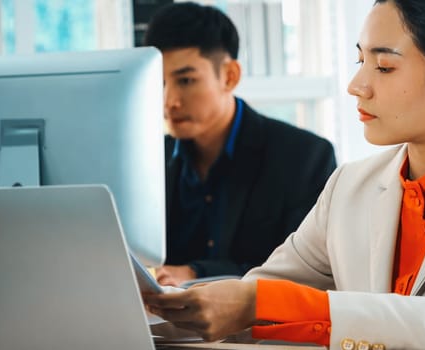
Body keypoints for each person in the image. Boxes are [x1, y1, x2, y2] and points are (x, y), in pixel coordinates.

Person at [143, 0, 425, 349]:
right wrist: (156, 309)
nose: (357, 84)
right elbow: (255, 300)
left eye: (384, 65)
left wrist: (254, 303)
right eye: (361, 60)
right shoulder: (350, 187)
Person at [143, 2, 337, 286]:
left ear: (230, 76)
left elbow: (307, 273)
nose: (169, 100)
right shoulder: (149, 160)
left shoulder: (304, 158)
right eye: (159, 83)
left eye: (185, 80)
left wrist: (198, 273)